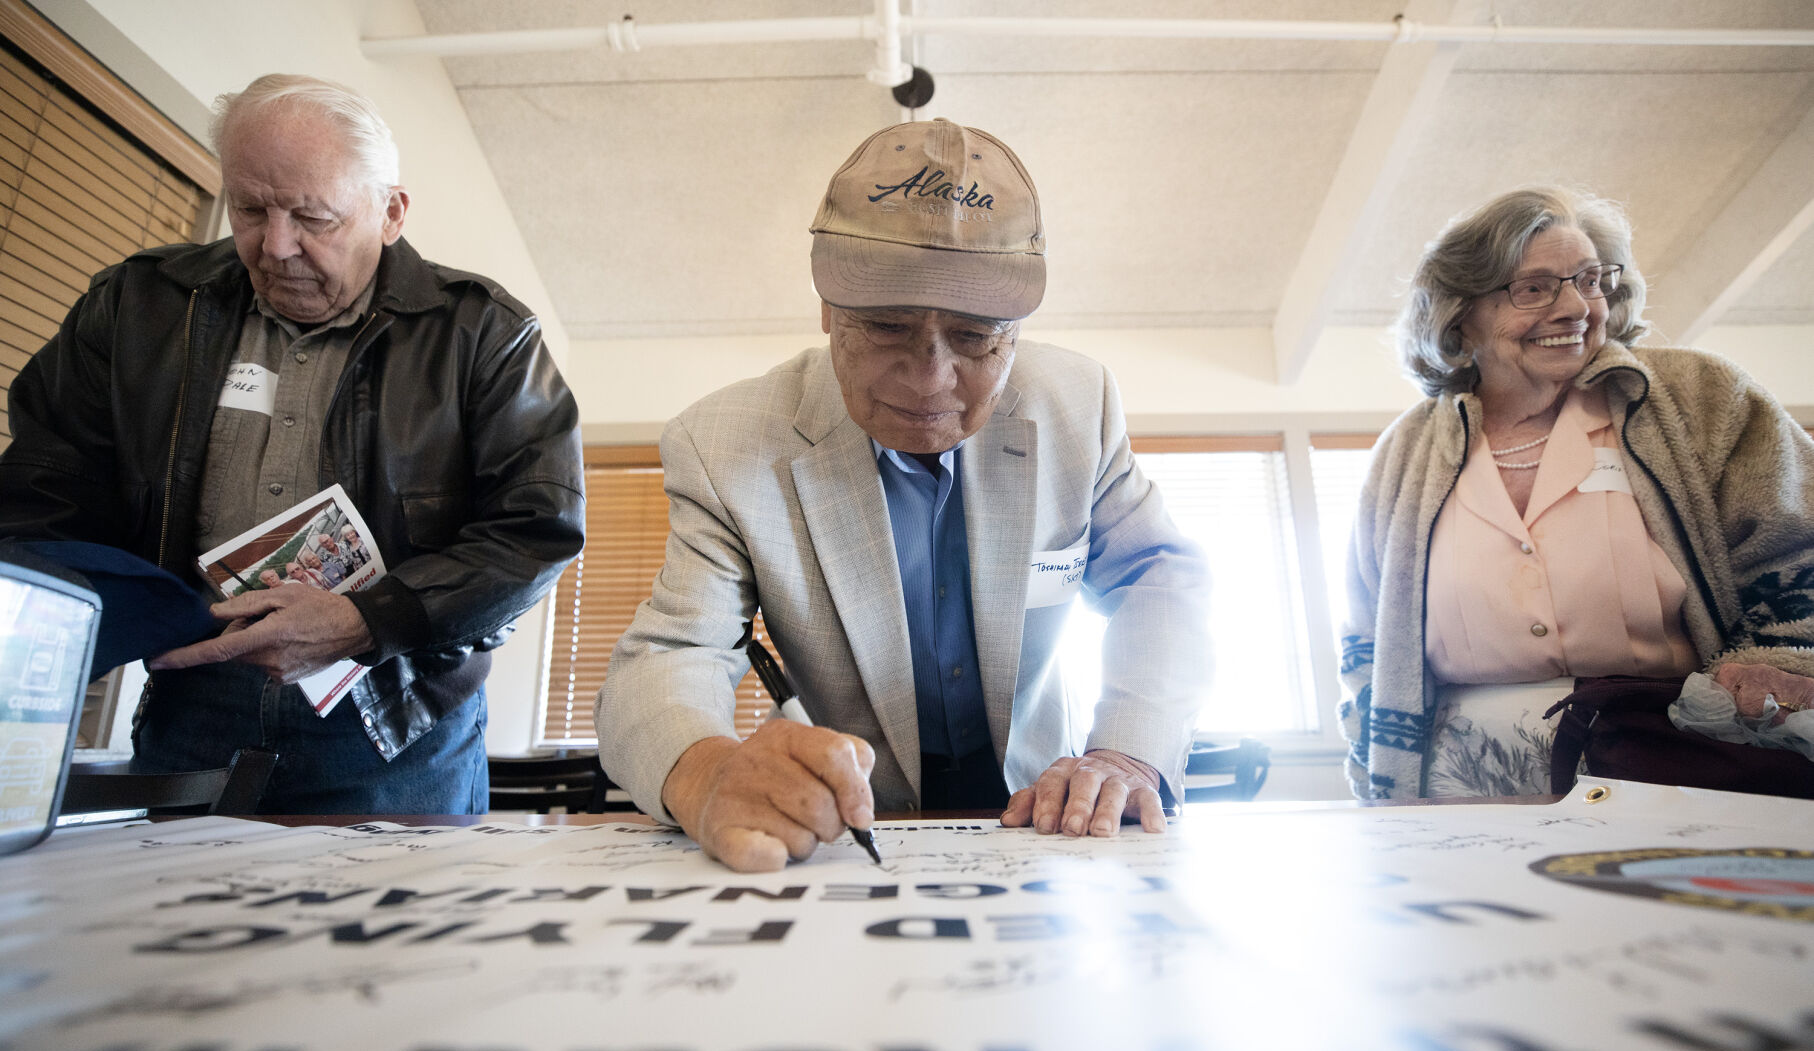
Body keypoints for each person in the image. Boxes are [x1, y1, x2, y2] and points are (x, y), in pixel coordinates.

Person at [596, 118, 1210, 872]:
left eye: (976, 337)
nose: (929, 379)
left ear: (1017, 328)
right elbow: (670, 652)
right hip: (853, 842)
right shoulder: (724, 444)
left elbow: (1162, 578)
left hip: (1052, 827)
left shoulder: (1077, 405)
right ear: (827, 309)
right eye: (886, 328)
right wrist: (707, 771)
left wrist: (1126, 751)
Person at [0, 74, 584, 813]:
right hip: (191, 705)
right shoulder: (136, 307)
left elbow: (535, 534)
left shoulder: (486, 335)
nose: (276, 247)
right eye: (250, 209)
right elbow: (42, 495)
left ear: (391, 212)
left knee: (394, 930)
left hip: (397, 725)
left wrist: (367, 621)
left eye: (313, 217)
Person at [1340, 185, 1814, 799]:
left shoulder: (1701, 396)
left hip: (1680, 756)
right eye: (1534, 289)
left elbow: (1798, 545)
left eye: (1589, 280)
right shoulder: (1406, 451)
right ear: (1460, 315)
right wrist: (1370, 752)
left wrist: (1783, 665)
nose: (1576, 308)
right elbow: (1364, 632)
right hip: (1462, 783)